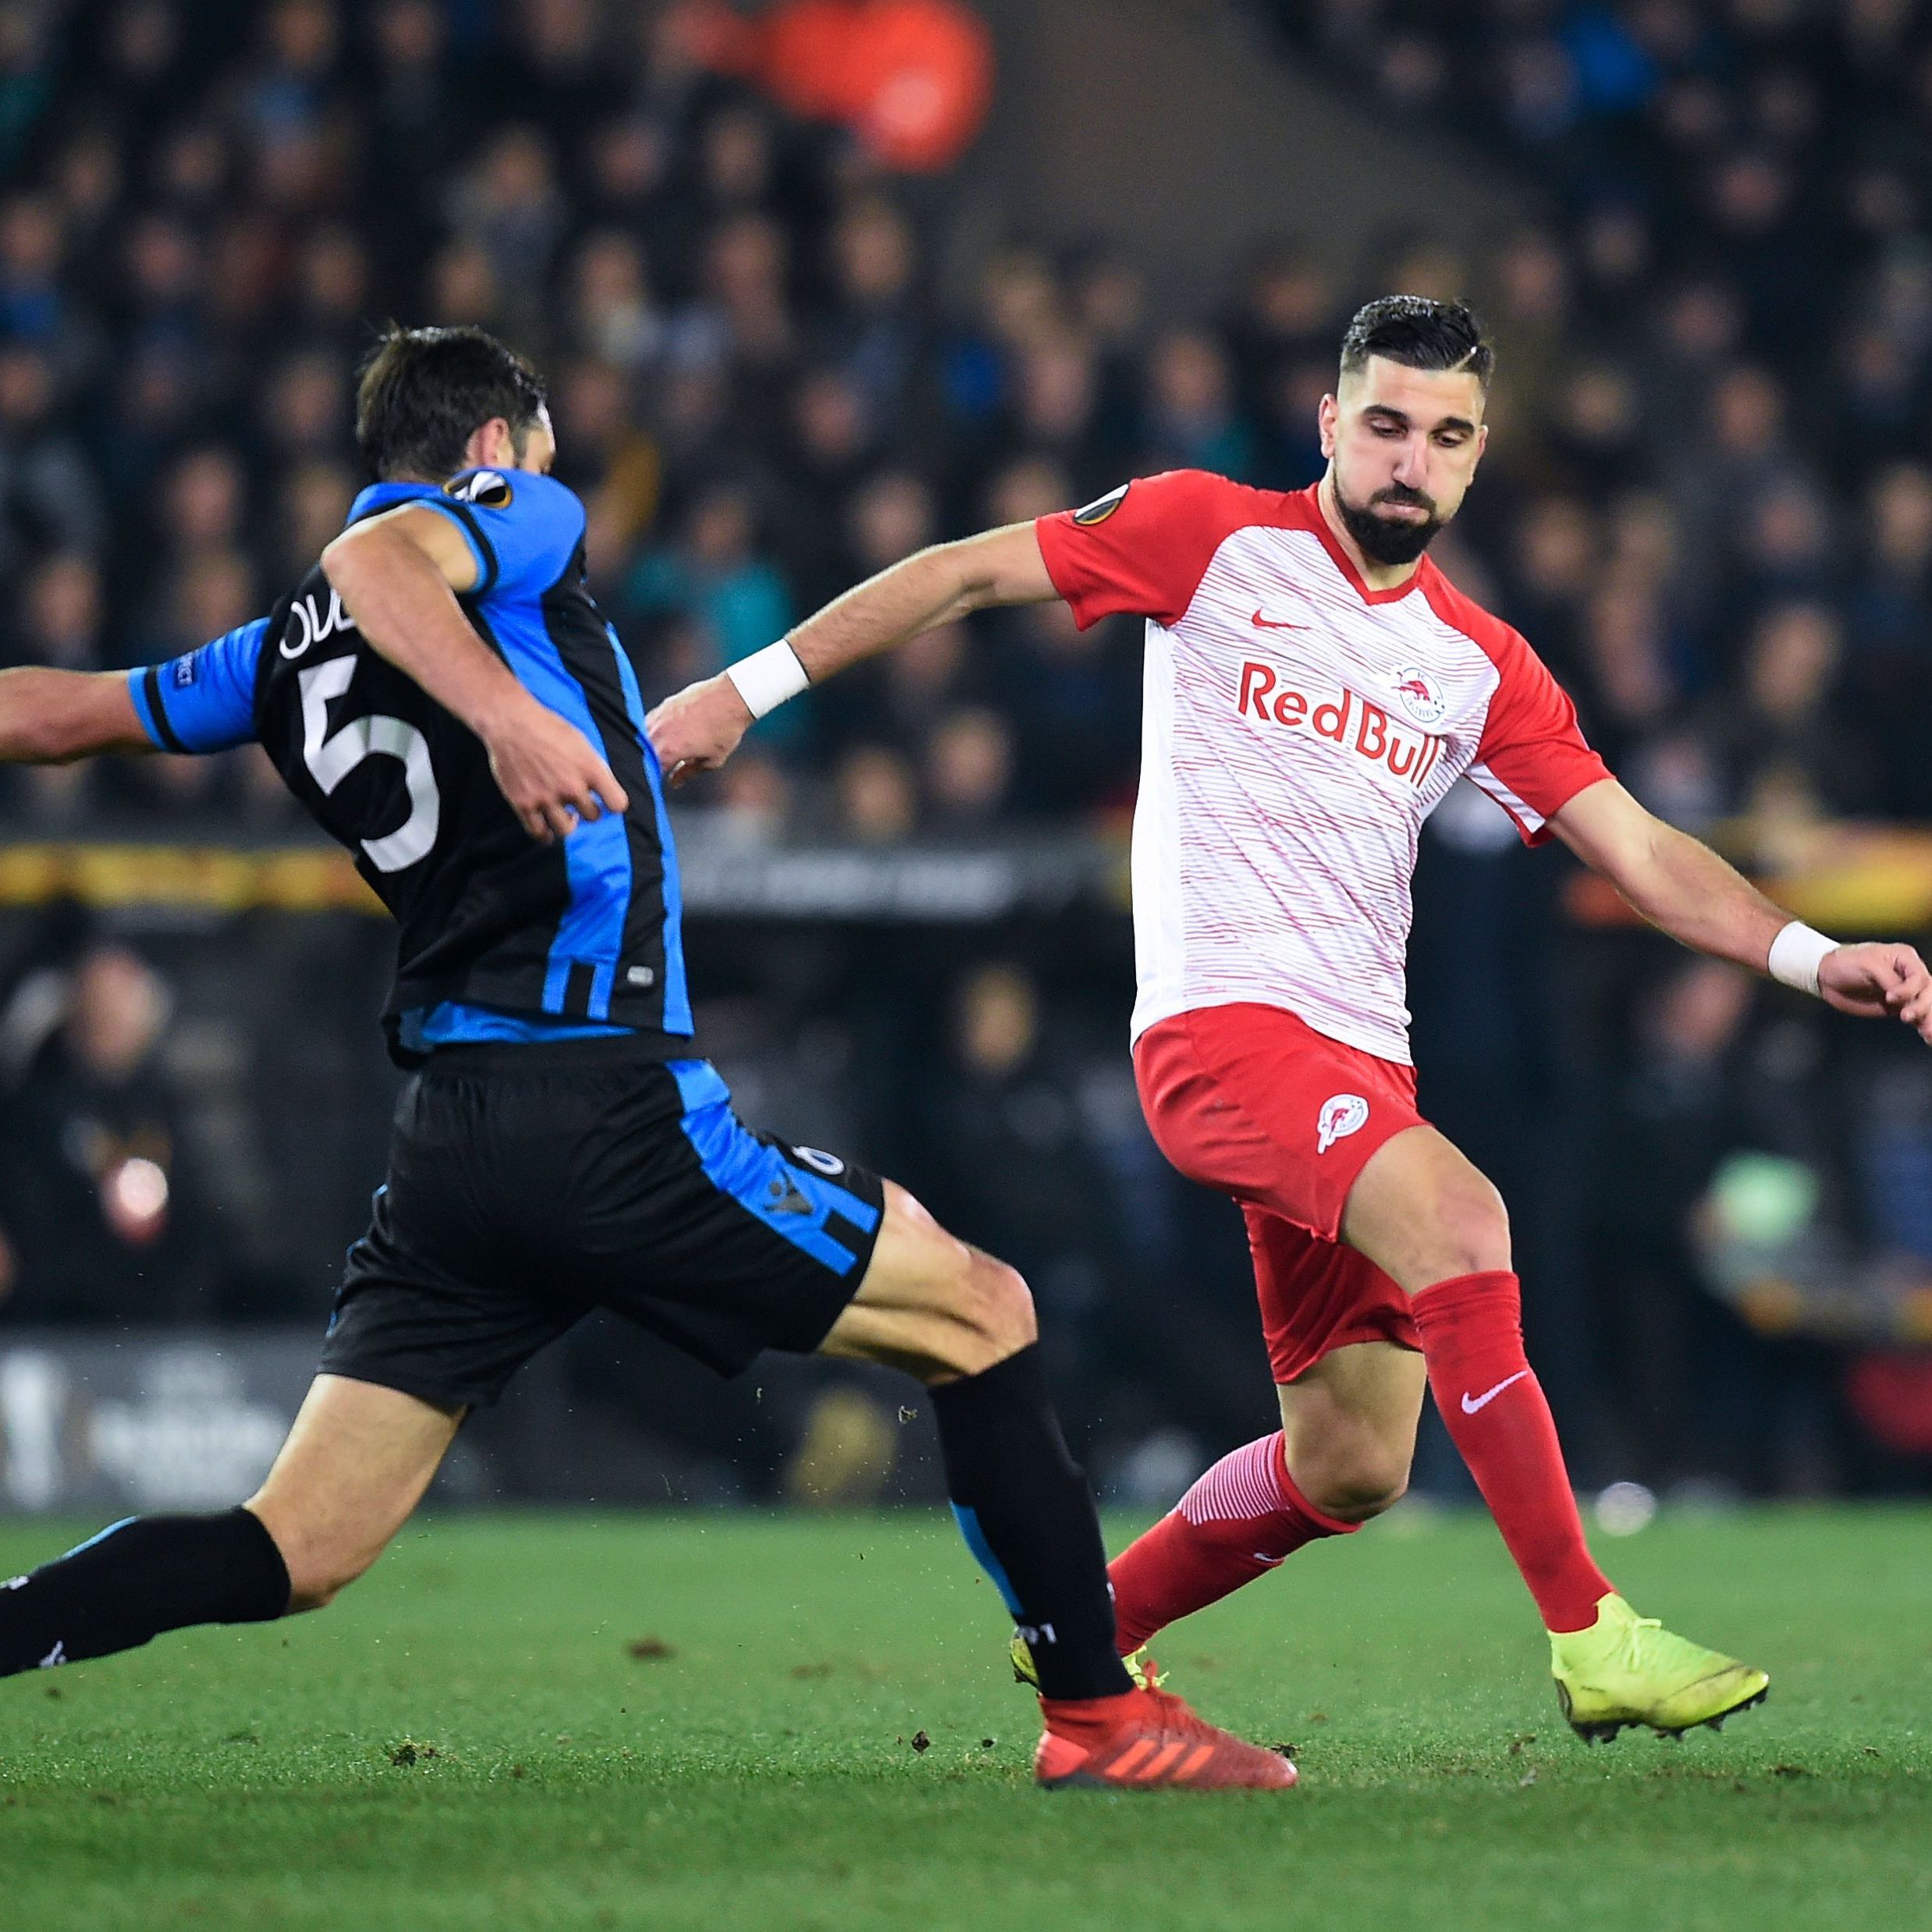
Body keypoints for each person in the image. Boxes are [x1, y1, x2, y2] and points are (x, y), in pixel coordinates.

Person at [0, 325, 1290, 1794]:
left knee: (299, 1545)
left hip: (455, 1142)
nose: (559, 487)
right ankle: (1103, 1719)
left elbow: (64, 711)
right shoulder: (507, 518)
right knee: (983, 1311)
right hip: (603, 1101)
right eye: (544, 452)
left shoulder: (276, 652)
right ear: (497, 445)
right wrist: (504, 723)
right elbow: (377, 565)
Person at [648, 296, 1932, 1743]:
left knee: (1352, 1463)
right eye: (1384, 425)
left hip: (1357, 1065)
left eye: (1444, 437)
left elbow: (1639, 852)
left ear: (1475, 459)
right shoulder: (1208, 534)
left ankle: (1090, 1638)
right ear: (1330, 425)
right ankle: (1592, 1632)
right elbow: (957, 579)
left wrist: (1813, 954)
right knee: (1465, 1221)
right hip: (1221, 1033)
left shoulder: (1480, 665)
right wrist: (741, 693)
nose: (1409, 460)